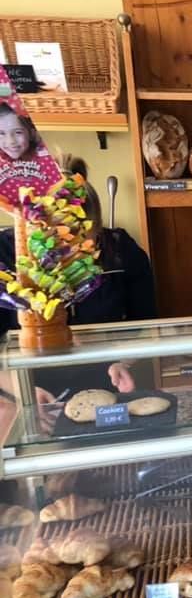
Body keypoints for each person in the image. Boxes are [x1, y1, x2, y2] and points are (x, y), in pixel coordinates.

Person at [0, 154, 157, 415]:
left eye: (82, 241)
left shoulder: (120, 251)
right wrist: (21, 391)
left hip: (106, 387)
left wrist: (123, 363)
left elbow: (144, 324)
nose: (68, 254)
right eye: (57, 241)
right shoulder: (5, 257)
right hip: (25, 395)